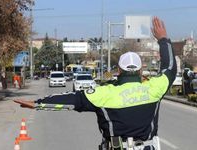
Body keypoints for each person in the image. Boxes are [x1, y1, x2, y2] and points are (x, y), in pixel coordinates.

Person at [14, 16, 177, 150]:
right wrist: (163, 39)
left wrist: (37, 104)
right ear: (141, 71)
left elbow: (71, 100)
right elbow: (169, 67)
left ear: (119, 71)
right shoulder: (155, 88)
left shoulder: (104, 93)